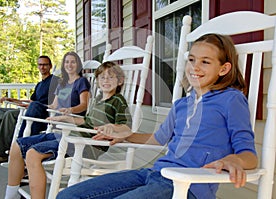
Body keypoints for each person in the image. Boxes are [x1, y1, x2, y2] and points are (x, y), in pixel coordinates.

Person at [55, 34, 258, 199]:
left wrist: (233, 160)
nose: (194, 67)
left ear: (224, 69)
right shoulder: (181, 105)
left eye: (205, 62)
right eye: (191, 59)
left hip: (186, 186)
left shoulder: (231, 100)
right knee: (69, 195)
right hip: (155, 174)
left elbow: (249, 155)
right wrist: (125, 134)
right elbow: (157, 139)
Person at [4, 61, 132, 199]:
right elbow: (85, 121)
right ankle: (10, 196)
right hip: (73, 136)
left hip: (86, 144)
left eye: (111, 77)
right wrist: (65, 118)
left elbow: (126, 128)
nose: (106, 80)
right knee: (17, 145)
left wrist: (112, 127)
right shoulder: (98, 99)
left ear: (120, 81)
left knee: (32, 154)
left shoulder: (118, 101)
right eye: (102, 77)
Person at [0, 55, 59, 164]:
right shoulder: (40, 84)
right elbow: (31, 101)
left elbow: (52, 103)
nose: (42, 67)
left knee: (10, 115)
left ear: (50, 66)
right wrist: (12, 99)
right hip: (30, 108)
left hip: (41, 113)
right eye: (40, 64)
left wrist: (32, 105)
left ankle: (0, 153)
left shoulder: (55, 81)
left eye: (45, 64)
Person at [17, 51, 90, 138]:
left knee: (34, 120)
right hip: (54, 116)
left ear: (78, 65)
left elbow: (84, 105)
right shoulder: (62, 83)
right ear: (64, 65)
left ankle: (21, 143)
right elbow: (53, 106)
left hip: (69, 118)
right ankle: (23, 143)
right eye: (67, 62)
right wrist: (35, 106)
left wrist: (70, 109)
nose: (69, 65)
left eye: (73, 62)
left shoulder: (81, 81)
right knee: (34, 107)